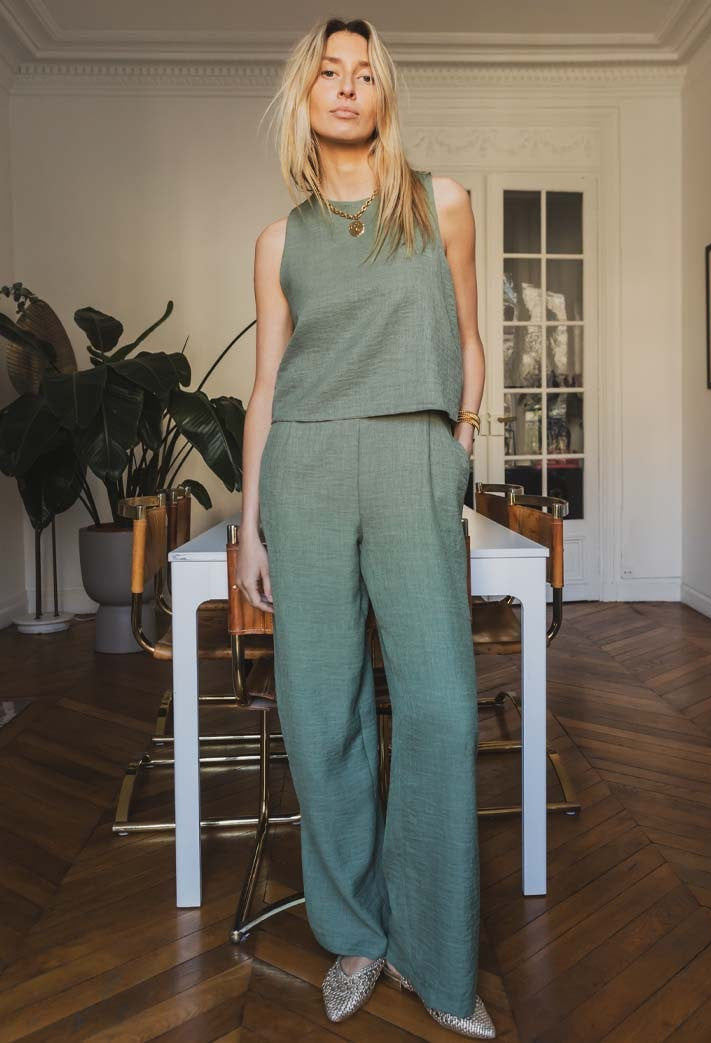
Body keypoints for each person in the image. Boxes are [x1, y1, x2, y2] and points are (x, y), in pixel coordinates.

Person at [236, 16, 494, 1040]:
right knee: (319, 709)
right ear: (305, 99)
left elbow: (468, 340)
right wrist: (250, 524)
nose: (346, 87)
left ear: (383, 94)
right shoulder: (279, 240)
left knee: (440, 705)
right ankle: (355, 933)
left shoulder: (442, 203)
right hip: (303, 466)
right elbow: (265, 385)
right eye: (328, 73)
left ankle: (438, 956)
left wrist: (456, 450)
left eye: (364, 74)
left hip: (411, 457)